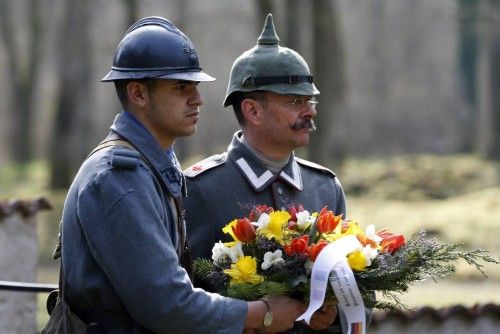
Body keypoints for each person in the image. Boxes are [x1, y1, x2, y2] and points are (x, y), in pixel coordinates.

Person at [58, 16, 305, 333]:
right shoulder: (118, 177)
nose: (198, 98)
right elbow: (166, 303)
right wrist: (262, 313)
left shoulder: (151, 164)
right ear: (138, 93)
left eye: (195, 86)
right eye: (180, 87)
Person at [184, 14, 370, 334]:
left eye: (310, 101)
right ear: (253, 111)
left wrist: (333, 311)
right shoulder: (200, 189)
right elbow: (183, 303)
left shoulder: (324, 187)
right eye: (295, 101)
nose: (310, 111)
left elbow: (358, 289)